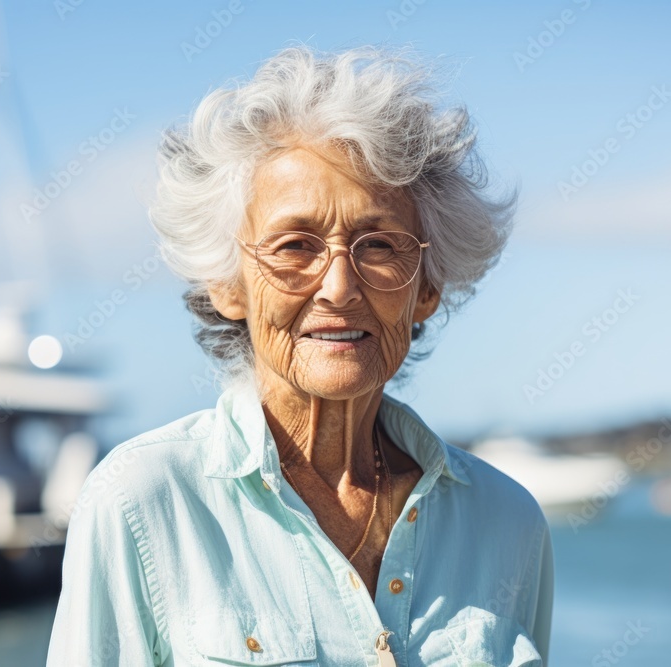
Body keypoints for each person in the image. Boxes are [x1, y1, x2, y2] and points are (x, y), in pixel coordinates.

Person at [46, 45, 553, 666]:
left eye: (380, 245)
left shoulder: (507, 523)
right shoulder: (141, 501)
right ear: (227, 284)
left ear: (427, 287)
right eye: (294, 245)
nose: (339, 285)